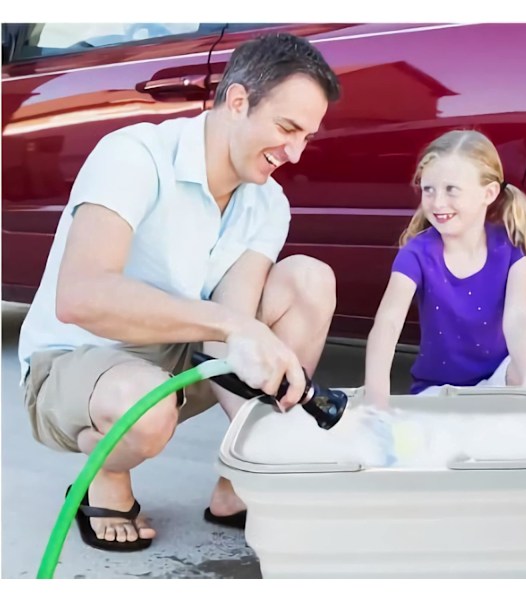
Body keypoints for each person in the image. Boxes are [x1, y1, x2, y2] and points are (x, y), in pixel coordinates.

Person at [18, 32, 341, 551]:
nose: (295, 153)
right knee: (144, 408)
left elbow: (228, 330)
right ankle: (105, 477)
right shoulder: (134, 155)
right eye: (287, 128)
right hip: (75, 359)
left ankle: (238, 486)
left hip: (176, 356)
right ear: (237, 101)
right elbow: (80, 296)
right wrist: (236, 327)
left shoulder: (267, 203)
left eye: (307, 135)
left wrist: (276, 441)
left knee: (309, 278)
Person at [364, 129, 526, 407]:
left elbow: (518, 319)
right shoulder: (417, 254)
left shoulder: (511, 251)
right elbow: (388, 321)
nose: (437, 202)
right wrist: (376, 399)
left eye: (451, 190)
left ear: (489, 193)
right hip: (438, 393)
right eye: (428, 189)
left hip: (495, 386)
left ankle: (525, 438)